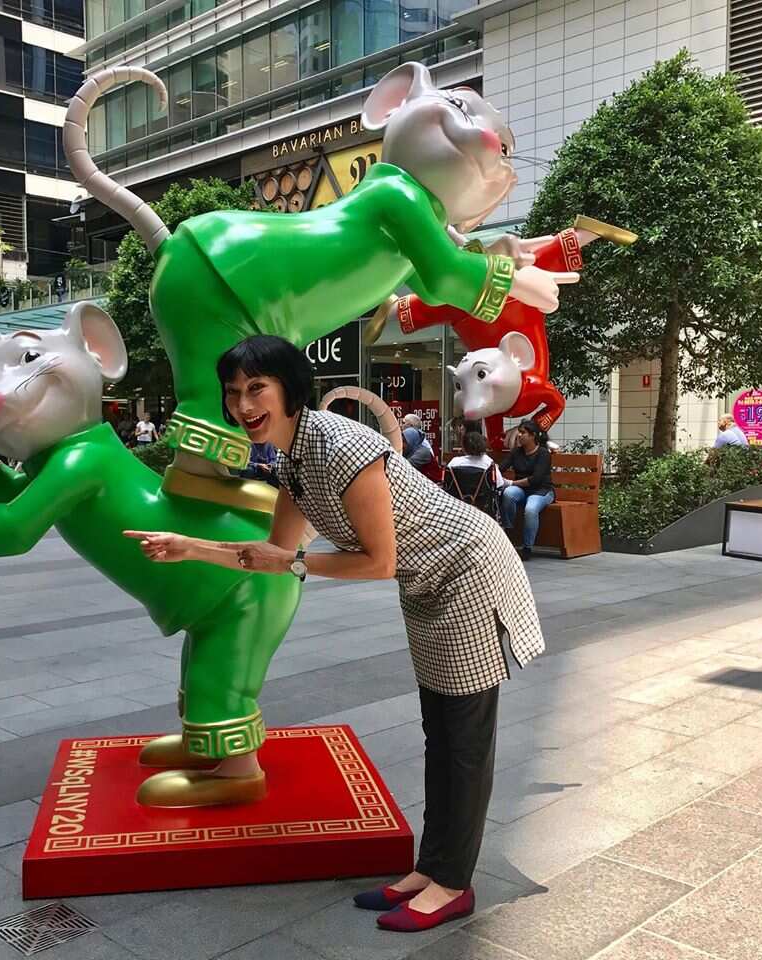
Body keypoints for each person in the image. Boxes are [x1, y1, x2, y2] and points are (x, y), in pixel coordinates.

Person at [125, 335, 544, 934]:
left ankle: (454, 883)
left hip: (467, 569)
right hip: (427, 582)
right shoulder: (291, 459)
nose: (243, 405)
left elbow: (373, 560)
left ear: (290, 390)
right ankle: (431, 869)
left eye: (256, 389)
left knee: (463, 735)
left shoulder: (341, 445)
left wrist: (297, 565)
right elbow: (272, 551)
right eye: (233, 393)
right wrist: (189, 547)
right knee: (439, 729)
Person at [499, 420, 554, 561]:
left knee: (530, 509)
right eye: (519, 431)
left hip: (542, 491)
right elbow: (501, 468)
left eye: (523, 432)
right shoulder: (516, 452)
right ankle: (510, 533)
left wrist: (511, 482)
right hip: (522, 491)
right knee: (508, 494)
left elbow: (536, 479)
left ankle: (527, 547)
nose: (518, 435)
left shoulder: (543, 454)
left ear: (533, 436)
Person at [443, 429, 505, 521]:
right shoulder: (488, 463)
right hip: (483, 510)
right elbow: (499, 484)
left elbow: (446, 484)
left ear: (464, 447)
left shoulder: (454, 462)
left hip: (457, 509)